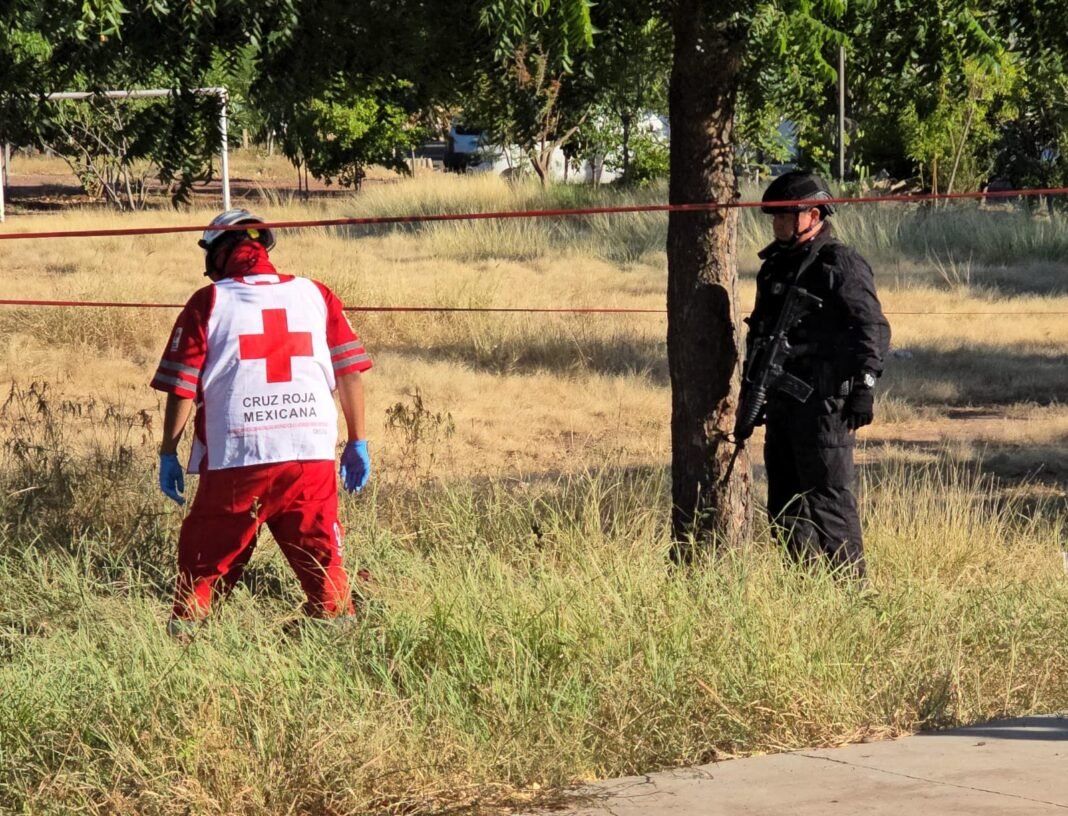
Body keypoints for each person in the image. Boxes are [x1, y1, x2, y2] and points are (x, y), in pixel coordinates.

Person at [152, 208, 373, 633]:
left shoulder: (209, 301)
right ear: (264, 246)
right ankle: (335, 639)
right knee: (323, 564)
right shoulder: (316, 293)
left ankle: (187, 645)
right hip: (310, 454)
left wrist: (168, 452)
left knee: (204, 563)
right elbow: (349, 372)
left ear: (216, 255)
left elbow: (182, 387)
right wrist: (357, 439)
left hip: (238, 455)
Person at [745, 171, 890, 579]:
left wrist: (866, 384)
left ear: (813, 214)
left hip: (826, 407)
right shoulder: (774, 266)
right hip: (782, 404)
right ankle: (806, 591)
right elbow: (759, 332)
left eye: (785, 217)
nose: (777, 225)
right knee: (783, 508)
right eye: (774, 218)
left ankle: (850, 596)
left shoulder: (839, 263)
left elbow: (872, 328)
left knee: (829, 504)